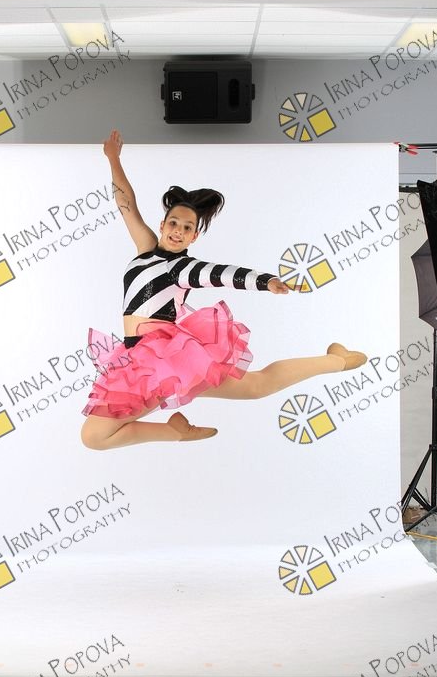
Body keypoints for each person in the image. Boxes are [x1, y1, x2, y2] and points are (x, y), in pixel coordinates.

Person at [81, 130, 367, 450]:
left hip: (164, 359)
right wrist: (113, 159)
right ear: (162, 225)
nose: (178, 231)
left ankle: (336, 361)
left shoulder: (182, 268)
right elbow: (126, 206)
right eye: (174, 223)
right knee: (95, 436)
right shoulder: (145, 248)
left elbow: (222, 274)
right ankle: (177, 431)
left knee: (256, 386)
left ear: (194, 237)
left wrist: (265, 281)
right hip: (134, 356)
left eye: (187, 228)